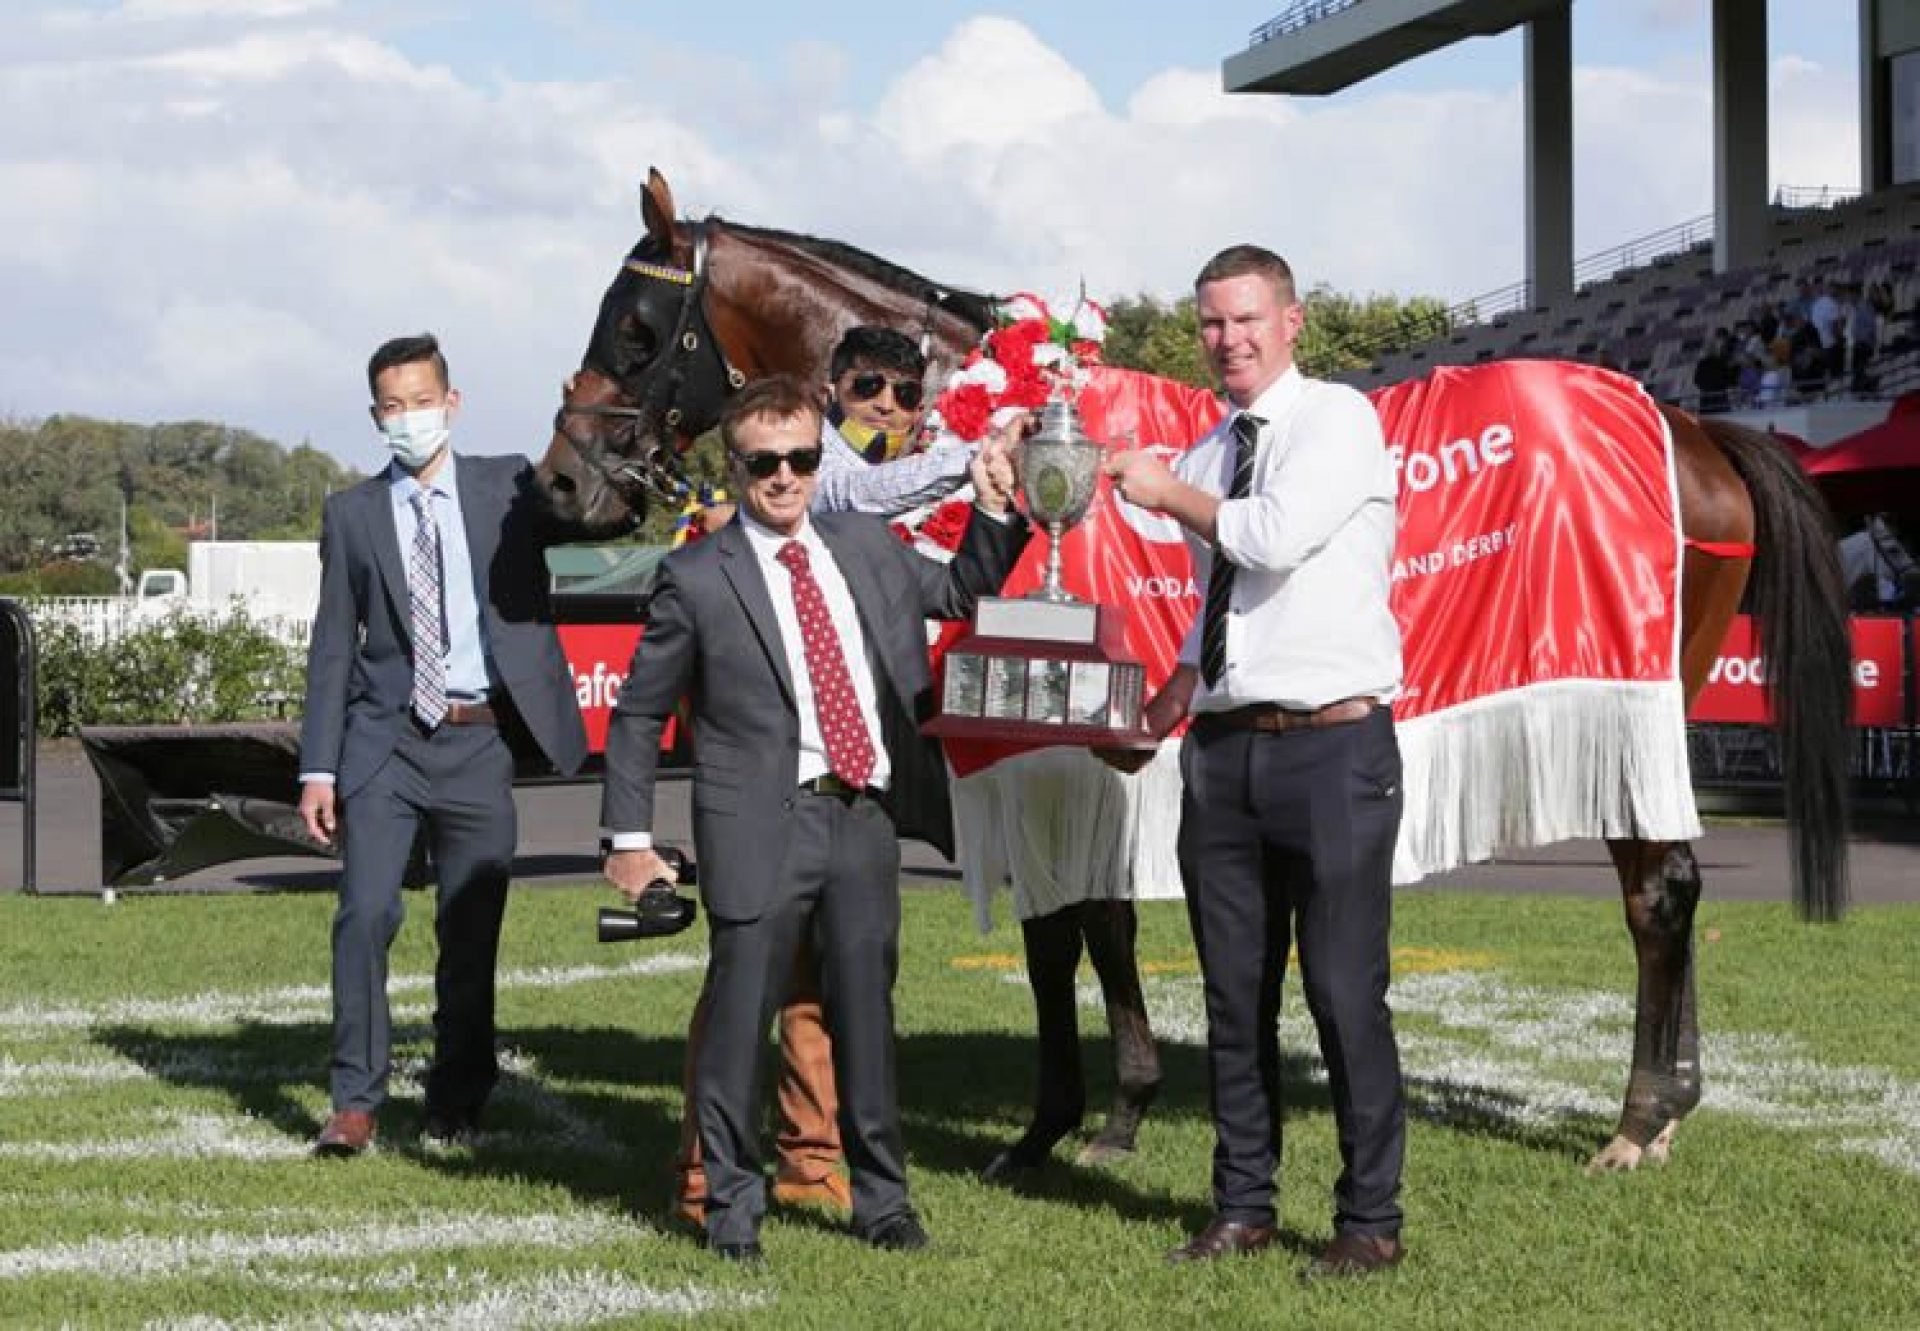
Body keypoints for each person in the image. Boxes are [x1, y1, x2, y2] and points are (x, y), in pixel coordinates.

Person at [600, 374, 1026, 1263]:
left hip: (862, 818)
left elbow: (962, 591)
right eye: (765, 463)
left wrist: (994, 507)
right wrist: (629, 841)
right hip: (759, 823)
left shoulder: (862, 543)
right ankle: (732, 1209)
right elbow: (638, 714)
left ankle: (884, 1203)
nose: (785, 476)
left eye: (800, 457)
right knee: (738, 1024)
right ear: (736, 466)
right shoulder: (696, 576)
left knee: (866, 1020)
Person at [1103, 245, 1409, 1279]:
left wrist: (1162, 488)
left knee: (1343, 991)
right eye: (1211, 322)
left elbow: (1268, 538)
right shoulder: (1207, 449)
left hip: (1333, 747)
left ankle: (1369, 1219)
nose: (1227, 339)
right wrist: (1167, 703)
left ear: (1291, 321)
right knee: (1234, 998)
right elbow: (1218, 601)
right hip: (1225, 751)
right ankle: (1243, 1205)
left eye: (1245, 318)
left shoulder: (1337, 418)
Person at [298, 333, 589, 1156]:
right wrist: (318, 768)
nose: (409, 418)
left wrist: (579, 420)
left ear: (451, 404)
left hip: (479, 740)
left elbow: (589, 508)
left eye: (421, 402)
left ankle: (457, 1097)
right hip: (383, 743)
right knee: (364, 914)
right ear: (375, 416)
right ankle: (354, 1101)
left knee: (470, 929)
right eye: (393, 406)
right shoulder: (351, 514)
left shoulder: (508, 485)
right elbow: (332, 646)